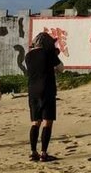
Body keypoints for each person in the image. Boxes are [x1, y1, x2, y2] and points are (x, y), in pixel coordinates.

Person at [25, 32, 63, 162]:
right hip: (47, 89)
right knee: (48, 121)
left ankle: (32, 151)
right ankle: (44, 153)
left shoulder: (28, 56)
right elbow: (60, 68)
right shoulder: (49, 53)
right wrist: (55, 55)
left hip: (32, 90)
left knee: (36, 121)